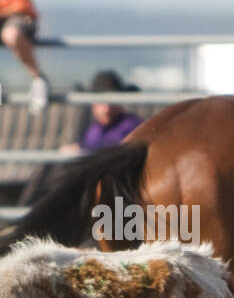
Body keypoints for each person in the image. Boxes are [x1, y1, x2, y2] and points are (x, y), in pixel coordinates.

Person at [19, 69, 143, 206]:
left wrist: (80, 148)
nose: (106, 108)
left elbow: (115, 147)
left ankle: (29, 212)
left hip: (114, 181)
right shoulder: (95, 128)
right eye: (101, 102)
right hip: (97, 181)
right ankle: (30, 210)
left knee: (56, 171)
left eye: (112, 101)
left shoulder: (132, 124)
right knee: (48, 167)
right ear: (93, 104)